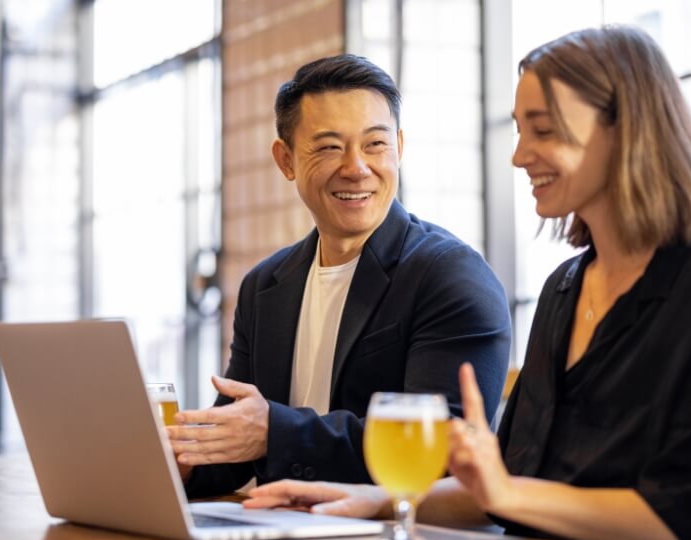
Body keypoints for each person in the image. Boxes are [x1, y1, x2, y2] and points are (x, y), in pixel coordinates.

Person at [243, 26, 691, 540]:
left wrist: (501, 493)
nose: (520, 156)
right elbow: (512, 487)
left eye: (543, 131)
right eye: (520, 131)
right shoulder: (565, 290)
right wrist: (370, 501)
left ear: (626, 133)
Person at [167, 55, 512, 498]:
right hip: (281, 538)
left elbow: (441, 445)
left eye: (375, 145)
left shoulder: (450, 276)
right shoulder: (264, 287)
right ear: (285, 159)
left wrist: (277, 432)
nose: (356, 167)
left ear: (399, 149)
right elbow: (236, 446)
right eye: (329, 146)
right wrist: (182, 458)